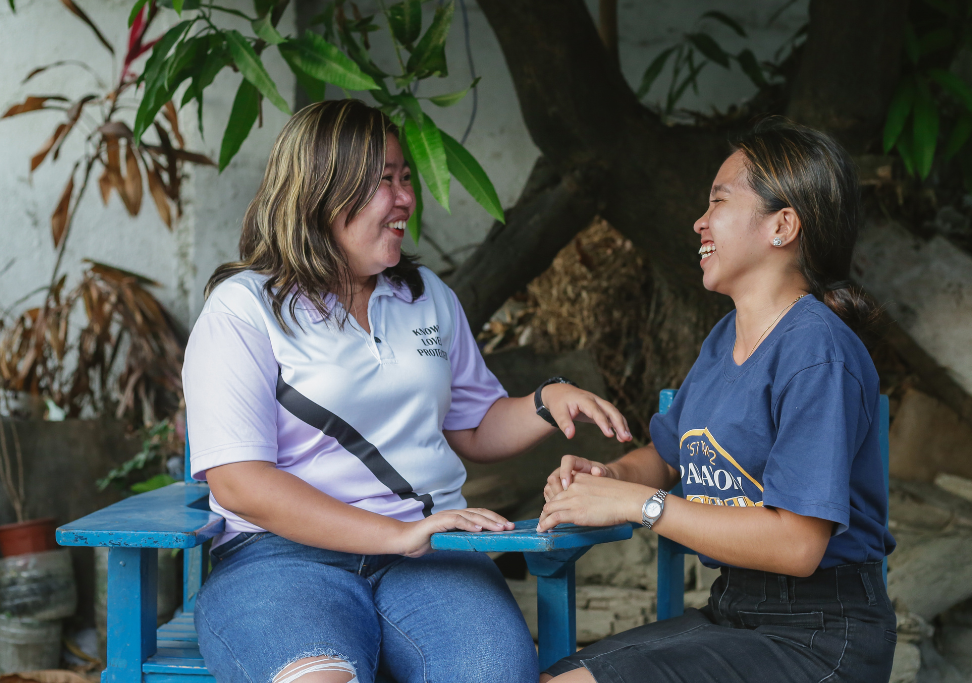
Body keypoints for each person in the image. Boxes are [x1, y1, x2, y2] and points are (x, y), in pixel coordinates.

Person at [181, 99, 632, 683]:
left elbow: (472, 425)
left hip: (431, 557)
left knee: (491, 675)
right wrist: (396, 533)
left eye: (405, 178)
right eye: (382, 183)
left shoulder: (425, 297)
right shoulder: (245, 310)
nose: (405, 199)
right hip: (281, 559)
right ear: (320, 192)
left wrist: (546, 402)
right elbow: (240, 482)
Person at [537, 119, 897, 683]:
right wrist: (604, 478)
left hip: (819, 635)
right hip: (738, 610)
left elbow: (799, 545)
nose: (699, 222)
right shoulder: (723, 340)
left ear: (783, 225)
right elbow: (666, 458)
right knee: (557, 675)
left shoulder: (817, 351)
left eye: (719, 200)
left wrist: (639, 506)